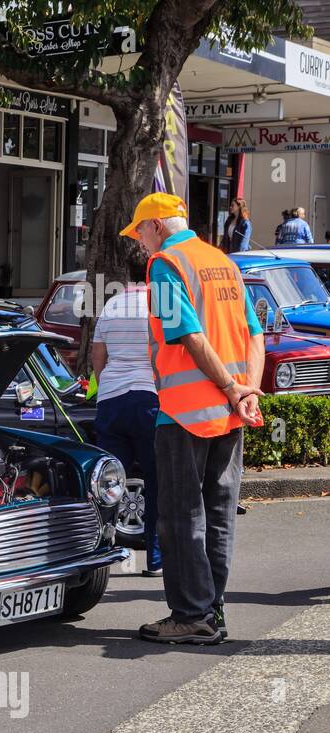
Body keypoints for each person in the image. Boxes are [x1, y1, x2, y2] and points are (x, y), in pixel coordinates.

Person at [122, 193, 265, 645]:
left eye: (140, 232)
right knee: (219, 514)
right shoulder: (223, 262)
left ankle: (190, 615)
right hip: (230, 414)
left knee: (181, 516)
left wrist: (229, 387)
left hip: (185, 413)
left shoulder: (166, 264)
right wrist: (247, 392)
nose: (139, 243)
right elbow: (255, 335)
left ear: (157, 226)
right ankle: (212, 607)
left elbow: (186, 335)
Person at [90, 240, 162, 576]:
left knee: (108, 481)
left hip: (112, 400)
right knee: (155, 477)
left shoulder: (111, 305)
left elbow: (98, 359)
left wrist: (107, 384)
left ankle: (103, 552)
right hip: (149, 399)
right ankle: (155, 559)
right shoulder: (158, 306)